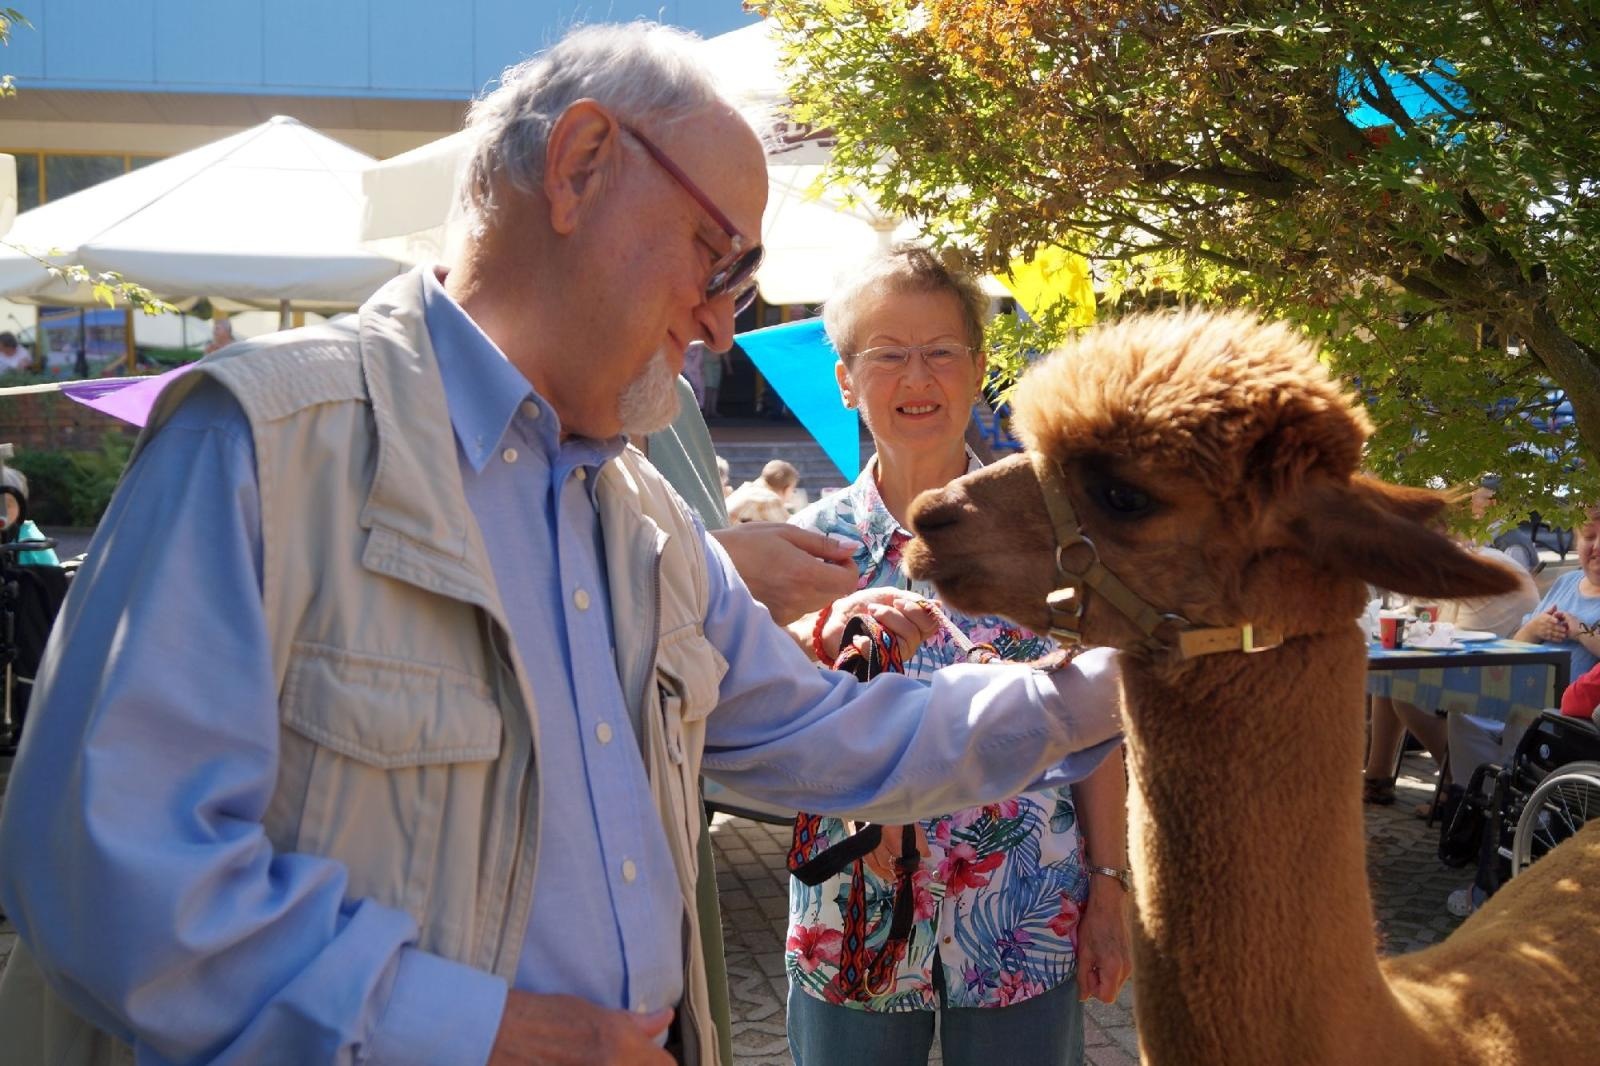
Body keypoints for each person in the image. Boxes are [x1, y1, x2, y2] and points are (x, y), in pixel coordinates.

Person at [0, 25, 1125, 1066]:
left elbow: (823, 730)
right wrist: (477, 1032)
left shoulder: (638, 512)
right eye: (716, 255)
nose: (722, 319)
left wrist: (1115, 680)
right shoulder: (267, 446)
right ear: (582, 162)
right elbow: (108, 872)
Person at [780, 246, 1132, 1066]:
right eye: (889, 355)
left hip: (1025, 911)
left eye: (941, 352)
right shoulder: (800, 553)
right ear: (846, 381)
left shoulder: (1053, 539)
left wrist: (1109, 889)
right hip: (851, 923)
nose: (918, 378)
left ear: (977, 370)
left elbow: (1091, 733)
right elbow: (761, 730)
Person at [1361, 484, 1540, 813]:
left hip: (1501, 677)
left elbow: (1458, 644)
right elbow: (1421, 619)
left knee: (1403, 689)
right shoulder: (1444, 566)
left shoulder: (1483, 569)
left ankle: (1462, 787)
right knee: (1387, 680)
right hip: (1479, 664)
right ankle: (1378, 778)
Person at [726, 458, 799, 523]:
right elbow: (790, 530)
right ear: (787, 488)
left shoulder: (745, 489)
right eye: (793, 490)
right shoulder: (767, 498)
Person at [700, 344, 727, 418]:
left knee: (715, 388)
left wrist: (728, 366)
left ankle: (713, 410)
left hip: (717, 363)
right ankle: (706, 411)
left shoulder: (719, 337)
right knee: (709, 387)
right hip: (707, 363)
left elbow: (725, 351)